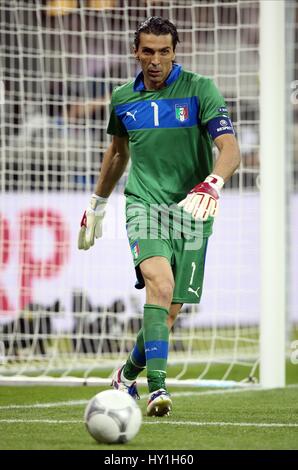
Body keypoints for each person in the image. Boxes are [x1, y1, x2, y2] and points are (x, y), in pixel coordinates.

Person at [78, 17, 241, 417]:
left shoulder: (200, 89)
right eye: (148, 51)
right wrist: (98, 204)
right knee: (160, 285)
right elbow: (118, 153)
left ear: (174, 52)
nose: (155, 60)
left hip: (194, 208)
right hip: (145, 206)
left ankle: (126, 375)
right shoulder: (122, 99)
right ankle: (158, 390)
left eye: (164, 52)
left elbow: (230, 148)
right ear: (136, 52)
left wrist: (213, 183)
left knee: (168, 311)